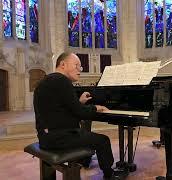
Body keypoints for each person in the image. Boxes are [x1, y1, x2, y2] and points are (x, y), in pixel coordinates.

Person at [33, 52, 125, 180]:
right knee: (103, 141)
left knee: (83, 133)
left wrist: (79, 103)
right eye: (76, 65)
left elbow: (59, 110)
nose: (80, 70)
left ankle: (84, 161)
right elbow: (80, 112)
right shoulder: (62, 80)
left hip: (46, 137)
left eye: (80, 67)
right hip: (59, 138)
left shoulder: (45, 81)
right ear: (63, 64)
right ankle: (109, 175)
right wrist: (95, 107)